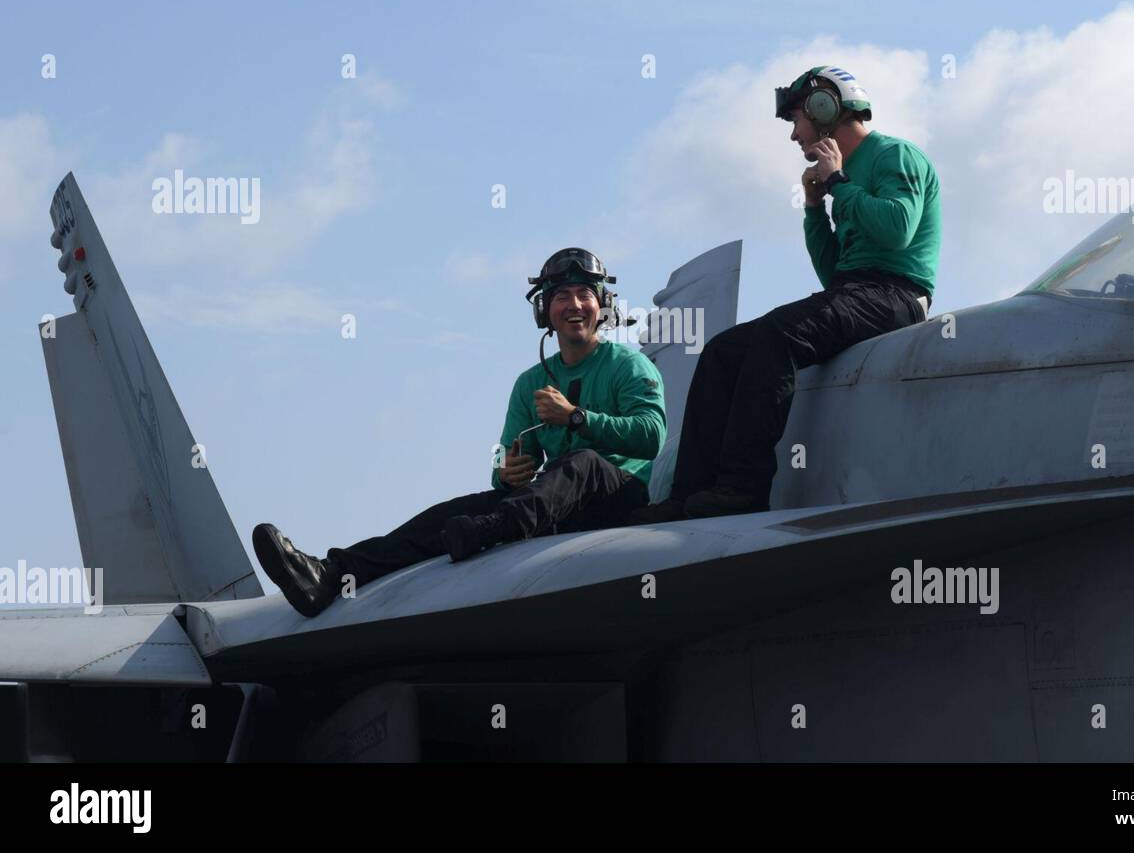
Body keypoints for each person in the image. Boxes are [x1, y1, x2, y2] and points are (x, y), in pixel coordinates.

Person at [253, 248, 666, 617]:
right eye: (562, 296)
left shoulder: (628, 366)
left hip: (616, 500)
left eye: (584, 295)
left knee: (583, 463)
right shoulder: (530, 383)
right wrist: (506, 473)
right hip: (549, 507)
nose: (574, 305)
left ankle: (491, 529)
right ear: (545, 311)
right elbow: (507, 458)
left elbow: (652, 436)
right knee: (450, 513)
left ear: (602, 305)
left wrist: (577, 418)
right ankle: (331, 574)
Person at [632, 65, 941, 522]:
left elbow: (896, 230)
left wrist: (837, 182)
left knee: (778, 334)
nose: (794, 135)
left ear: (824, 109)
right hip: (858, 291)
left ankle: (743, 488)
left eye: (796, 119)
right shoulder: (849, 174)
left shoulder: (895, 155)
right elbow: (836, 275)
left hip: (897, 295)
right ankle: (687, 493)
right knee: (723, 352)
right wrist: (816, 210)